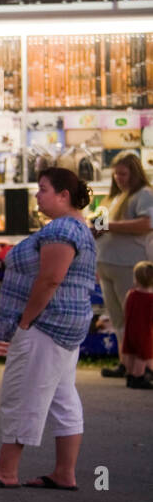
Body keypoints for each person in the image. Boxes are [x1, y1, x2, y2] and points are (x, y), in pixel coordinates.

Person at [0, 168, 97, 490]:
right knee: (62, 397)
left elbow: (51, 278)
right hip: (65, 325)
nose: (37, 196)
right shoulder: (78, 227)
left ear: (63, 195)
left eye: (42, 189)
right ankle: (64, 472)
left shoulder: (62, 229)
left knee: (23, 392)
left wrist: (25, 320)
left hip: (45, 324)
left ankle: (6, 469)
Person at [95, 152, 153, 379]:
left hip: (130, 264)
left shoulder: (144, 194)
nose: (119, 178)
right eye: (116, 174)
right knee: (118, 317)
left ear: (135, 172)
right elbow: (101, 223)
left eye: (123, 173)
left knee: (136, 319)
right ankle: (125, 362)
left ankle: (143, 366)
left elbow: (147, 223)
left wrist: (109, 225)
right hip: (107, 263)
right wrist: (96, 226)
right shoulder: (114, 197)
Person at [118, 261, 153, 390]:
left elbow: (125, 308)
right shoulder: (150, 298)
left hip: (130, 329)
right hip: (144, 331)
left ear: (136, 278)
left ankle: (131, 376)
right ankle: (139, 377)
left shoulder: (131, 294)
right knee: (142, 356)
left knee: (132, 353)